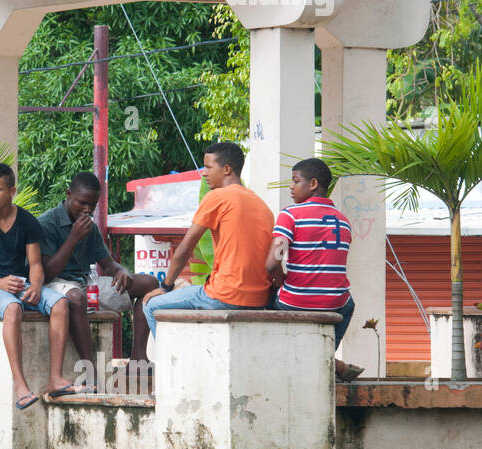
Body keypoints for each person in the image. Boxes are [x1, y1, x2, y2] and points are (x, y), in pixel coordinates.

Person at [0, 162, 83, 408]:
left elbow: (36, 264)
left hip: (19, 283)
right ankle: (20, 385)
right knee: (13, 308)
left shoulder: (26, 221)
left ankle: (55, 379)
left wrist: (36, 285)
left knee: (59, 303)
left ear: (12, 191)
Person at [139, 143, 274, 356]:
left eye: (208, 167)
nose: (204, 174)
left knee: (152, 305)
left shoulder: (217, 197)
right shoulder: (261, 204)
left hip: (224, 296)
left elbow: (186, 247)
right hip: (259, 299)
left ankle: (174, 368)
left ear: (226, 169)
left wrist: (165, 286)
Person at [39, 171, 160, 371]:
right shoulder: (47, 224)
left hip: (87, 283)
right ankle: (90, 369)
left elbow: (108, 263)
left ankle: (138, 358)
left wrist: (122, 271)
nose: (87, 210)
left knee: (149, 284)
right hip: (56, 285)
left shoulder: (90, 227)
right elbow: (47, 273)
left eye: (92, 205)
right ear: (68, 195)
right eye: (82, 203)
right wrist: (74, 237)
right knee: (77, 297)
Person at [266, 158, 361, 381]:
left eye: (296, 180)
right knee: (349, 304)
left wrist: (279, 278)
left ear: (313, 183)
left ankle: (324, 361)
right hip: (336, 302)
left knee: (262, 301)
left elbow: (271, 263)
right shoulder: (343, 221)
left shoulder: (290, 215)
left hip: (295, 301)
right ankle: (330, 360)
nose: (291, 186)